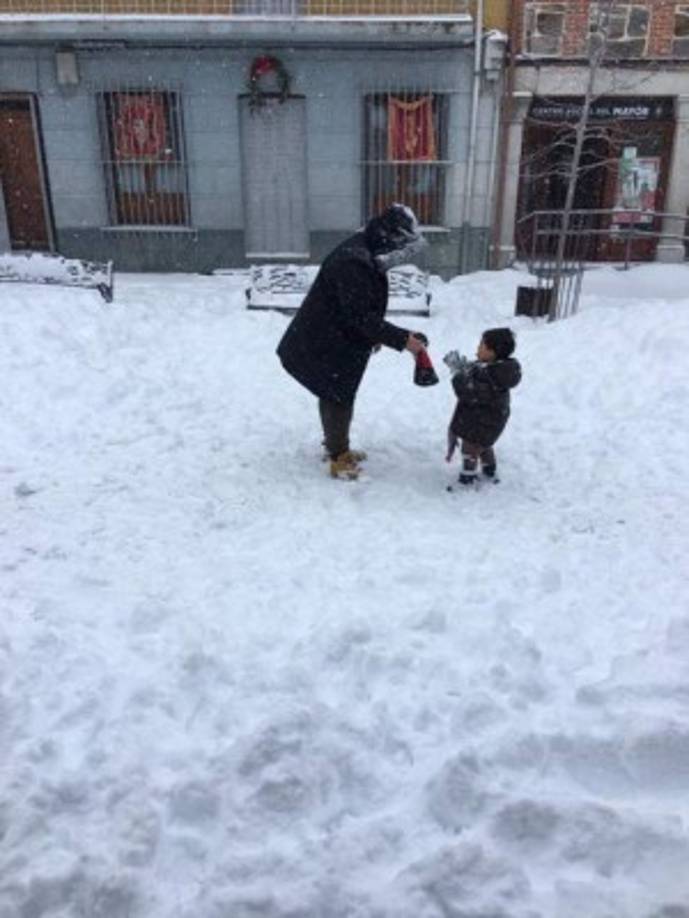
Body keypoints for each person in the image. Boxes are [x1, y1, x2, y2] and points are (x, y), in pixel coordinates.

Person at [277, 203, 428, 480]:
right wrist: (402, 339)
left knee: (333, 391)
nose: (401, 253)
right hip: (327, 339)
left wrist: (375, 335)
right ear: (390, 236)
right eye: (401, 245)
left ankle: (336, 446)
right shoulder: (354, 261)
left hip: (337, 334)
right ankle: (339, 457)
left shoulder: (366, 249)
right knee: (338, 394)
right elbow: (360, 316)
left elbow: (362, 309)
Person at [443, 327, 521, 488]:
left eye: (481, 345)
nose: (477, 348)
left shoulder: (492, 376)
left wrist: (458, 373)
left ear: (492, 352)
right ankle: (489, 470)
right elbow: (474, 373)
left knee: (470, 448)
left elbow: (468, 391)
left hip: (483, 422)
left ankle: (467, 478)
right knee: (484, 446)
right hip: (487, 420)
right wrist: (463, 367)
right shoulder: (492, 369)